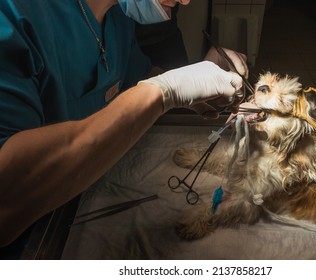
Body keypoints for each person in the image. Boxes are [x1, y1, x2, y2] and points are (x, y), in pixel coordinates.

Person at [0, 0, 248, 248]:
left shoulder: (116, 18)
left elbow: (129, 81)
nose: (185, 1)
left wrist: (194, 84)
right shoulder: (11, 16)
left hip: (80, 199)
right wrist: (161, 92)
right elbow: (8, 188)